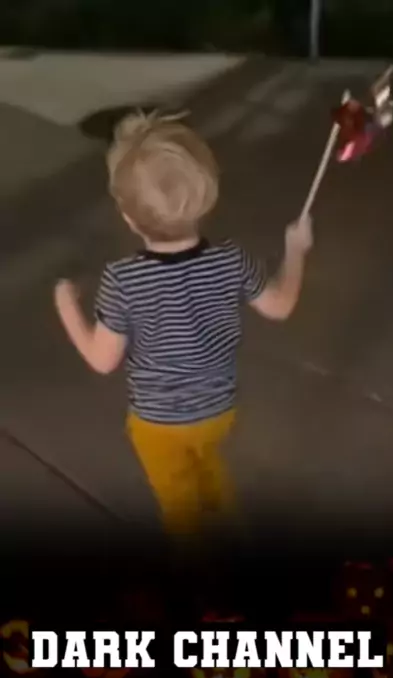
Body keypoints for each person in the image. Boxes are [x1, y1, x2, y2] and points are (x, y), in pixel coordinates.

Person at [54, 110, 313, 541]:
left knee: (179, 505)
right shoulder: (231, 260)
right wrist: (296, 252)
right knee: (208, 460)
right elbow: (281, 305)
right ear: (206, 196)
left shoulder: (123, 281)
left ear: (127, 216)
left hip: (158, 425)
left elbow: (102, 360)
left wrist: (67, 308)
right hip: (219, 411)